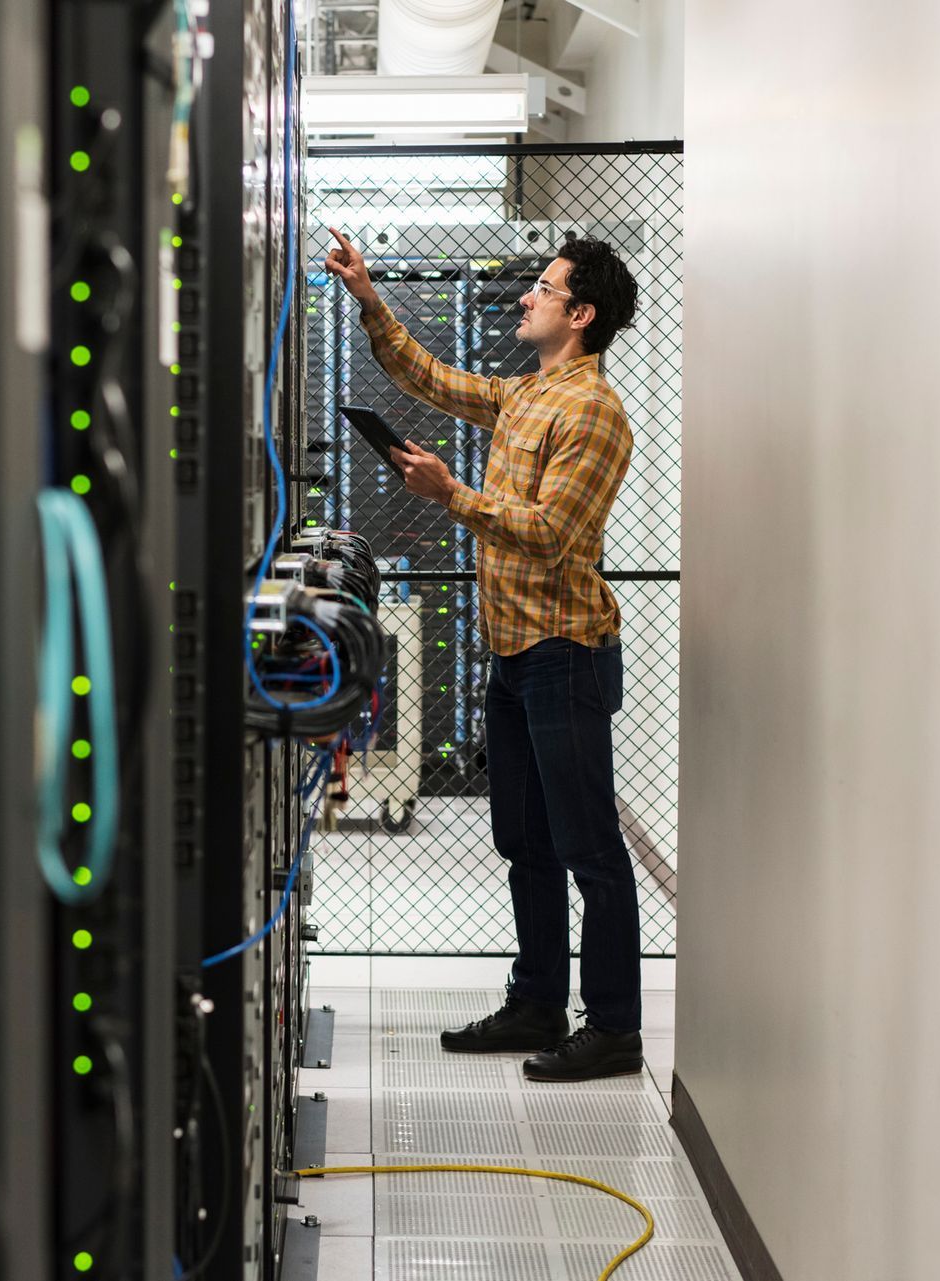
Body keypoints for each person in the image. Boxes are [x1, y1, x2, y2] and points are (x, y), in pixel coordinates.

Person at [323, 227, 644, 1082]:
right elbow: (430, 377)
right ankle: (537, 998)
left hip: (565, 653)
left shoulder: (594, 414)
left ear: (580, 314)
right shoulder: (525, 395)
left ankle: (614, 1025)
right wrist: (368, 297)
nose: (527, 296)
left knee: (590, 848)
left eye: (544, 287)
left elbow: (551, 533)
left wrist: (451, 493)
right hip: (512, 649)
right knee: (523, 838)